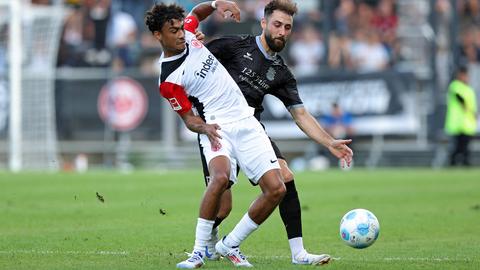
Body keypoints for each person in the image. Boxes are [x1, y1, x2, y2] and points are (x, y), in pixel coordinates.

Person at [191, 0, 354, 265]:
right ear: (264, 23)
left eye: (287, 27)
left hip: (252, 129)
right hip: (218, 127)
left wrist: (329, 142)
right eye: (277, 24)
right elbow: (194, 61)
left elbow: (300, 114)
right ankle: (208, 241)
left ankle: (297, 252)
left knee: (285, 177)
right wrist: (195, 41)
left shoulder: (281, 72)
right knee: (224, 206)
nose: (282, 31)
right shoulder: (232, 46)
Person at [145, 2, 289, 268]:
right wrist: (204, 128)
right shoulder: (168, 79)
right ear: (158, 35)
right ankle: (198, 253)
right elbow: (188, 118)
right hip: (215, 126)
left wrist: (215, 4)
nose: (180, 34)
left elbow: (197, 14)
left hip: (246, 120)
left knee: (277, 189)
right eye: (172, 31)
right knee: (220, 178)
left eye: (180, 28)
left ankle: (230, 243)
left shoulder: (189, 33)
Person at [445, 65, 477, 166]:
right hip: (457, 123)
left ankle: (464, 162)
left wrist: (474, 114)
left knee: (465, 147)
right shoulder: (455, 85)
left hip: (467, 123)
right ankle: (453, 163)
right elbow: (459, 98)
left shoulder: (469, 89)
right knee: (457, 147)